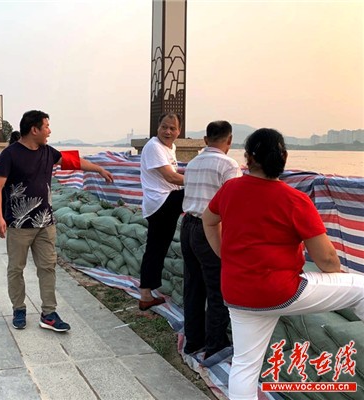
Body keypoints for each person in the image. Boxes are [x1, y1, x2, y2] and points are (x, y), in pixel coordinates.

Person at [202, 128, 364, 400]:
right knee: (361, 288)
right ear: (283, 158)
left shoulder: (230, 189)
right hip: (281, 292)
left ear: (249, 158)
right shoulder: (295, 200)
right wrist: (337, 276)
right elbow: (326, 259)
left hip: (237, 292)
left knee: (244, 365)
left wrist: (224, 255)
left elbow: (208, 220)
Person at [0, 110, 114, 332]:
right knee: (16, 269)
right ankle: (19, 309)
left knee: (48, 267)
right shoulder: (10, 154)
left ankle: (48, 313)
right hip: (18, 225)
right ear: (34, 129)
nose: (49, 131)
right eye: (46, 126)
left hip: (45, 223)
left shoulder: (48, 152)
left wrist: (99, 169)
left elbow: (74, 161)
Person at [180, 120, 241, 361]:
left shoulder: (193, 163)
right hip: (210, 229)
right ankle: (215, 345)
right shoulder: (229, 165)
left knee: (193, 286)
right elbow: (233, 203)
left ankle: (193, 341)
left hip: (188, 225)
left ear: (205, 140)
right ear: (229, 140)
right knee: (217, 288)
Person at [138, 112, 185, 311]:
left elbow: (174, 175)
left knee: (157, 248)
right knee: (156, 248)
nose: (168, 131)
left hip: (164, 201)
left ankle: (146, 294)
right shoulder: (154, 147)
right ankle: (145, 294)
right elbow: (171, 177)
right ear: (157, 127)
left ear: (179, 131)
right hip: (161, 202)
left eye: (172, 128)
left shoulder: (170, 147)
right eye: (164, 127)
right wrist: (202, 180)